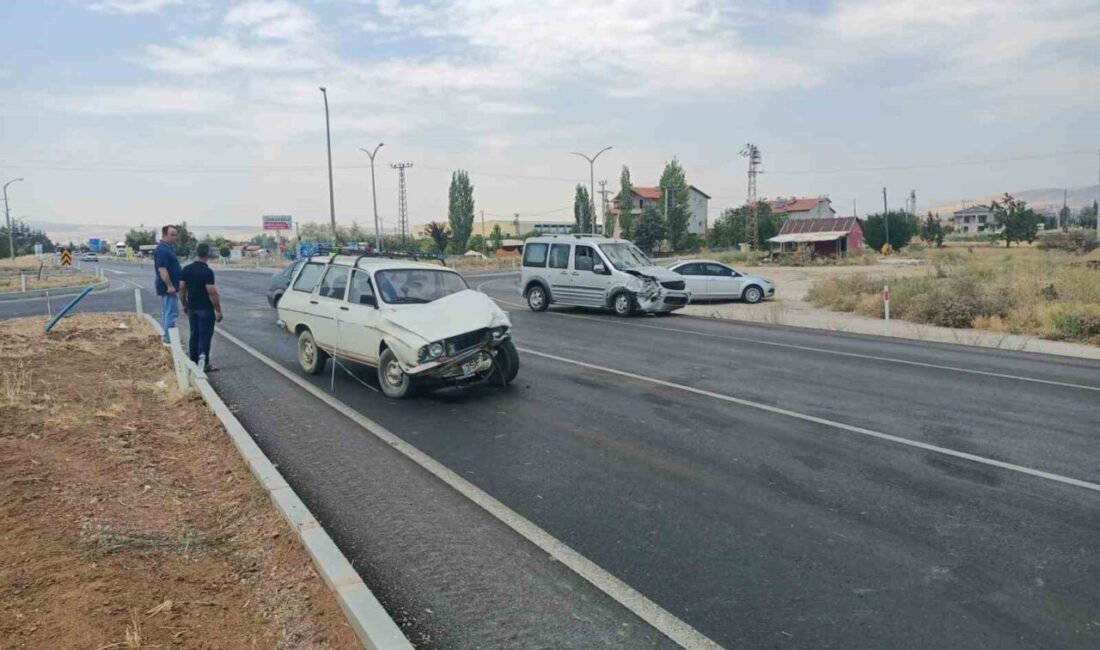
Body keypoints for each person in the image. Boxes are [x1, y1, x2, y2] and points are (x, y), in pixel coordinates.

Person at [179, 243, 223, 371]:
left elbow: (182, 288)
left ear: (197, 253)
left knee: (194, 334)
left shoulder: (186, 269)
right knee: (205, 336)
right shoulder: (207, 272)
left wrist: (184, 304)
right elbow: (212, 292)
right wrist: (218, 310)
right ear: (207, 254)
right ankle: (204, 364)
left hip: (192, 308)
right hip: (205, 309)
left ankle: (193, 361)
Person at [153, 225, 182, 345]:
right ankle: (169, 339)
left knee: (168, 312)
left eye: (175, 234)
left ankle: (167, 337)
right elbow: (162, 270)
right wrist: (170, 286)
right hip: (168, 287)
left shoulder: (167, 248)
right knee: (172, 313)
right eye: (172, 235)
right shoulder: (163, 250)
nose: (175, 237)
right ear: (164, 235)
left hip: (170, 286)